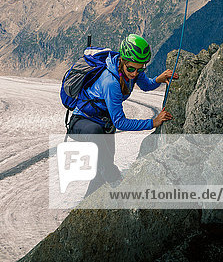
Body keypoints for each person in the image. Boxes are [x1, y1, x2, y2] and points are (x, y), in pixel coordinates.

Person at [68, 33, 178, 195]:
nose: (134, 73)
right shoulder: (110, 82)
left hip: (105, 125)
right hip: (83, 124)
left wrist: (158, 79)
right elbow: (120, 122)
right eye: (131, 69)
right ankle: (113, 183)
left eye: (140, 68)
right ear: (122, 61)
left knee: (101, 173)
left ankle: (87, 209)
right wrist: (152, 122)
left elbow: (145, 85)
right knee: (107, 168)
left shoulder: (133, 69)